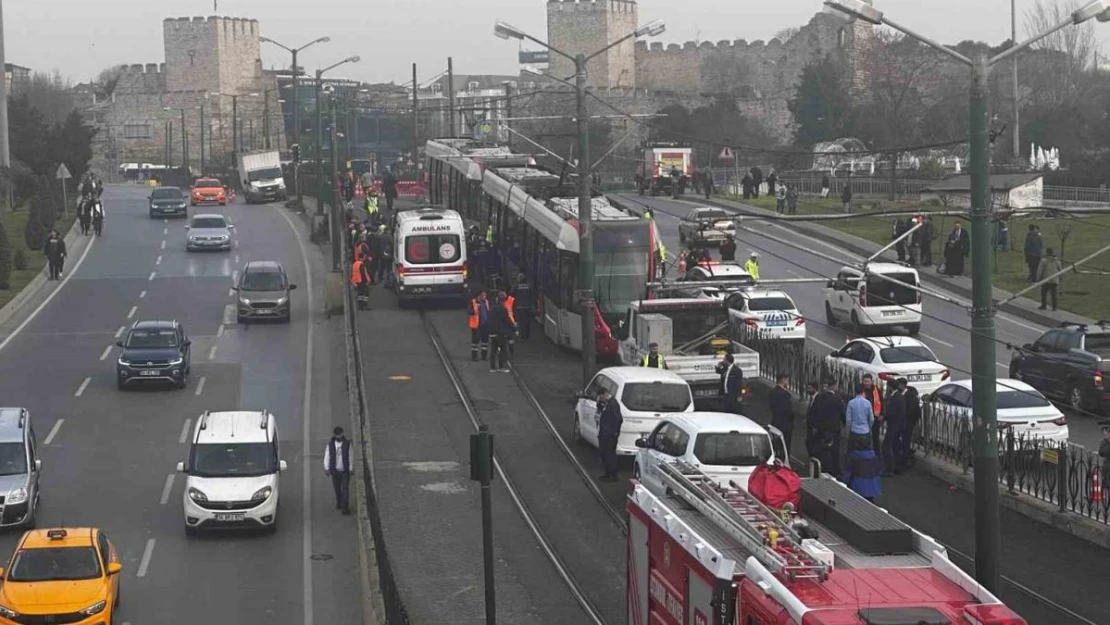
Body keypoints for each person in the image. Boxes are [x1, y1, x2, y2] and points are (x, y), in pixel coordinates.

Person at [806, 377, 844, 477]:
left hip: (821, 429)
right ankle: (835, 472)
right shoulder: (837, 399)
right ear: (834, 386)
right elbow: (842, 414)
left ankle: (821, 469)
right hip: (834, 430)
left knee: (822, 450)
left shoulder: (819, 397)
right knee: (834, 452)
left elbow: (814, 412)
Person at [882, 379, 911, 475]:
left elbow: (893, 413)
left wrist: (884, 417)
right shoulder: (897, 396)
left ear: (890, 387)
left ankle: (889, 469)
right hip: (896, 426)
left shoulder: (896, 398)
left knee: (887, 447)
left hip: (894, 426)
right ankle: (894, 468)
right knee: (894, 447)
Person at [842, 435, 882, 502]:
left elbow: (848, 472)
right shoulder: (874, 456)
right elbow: (878, 471)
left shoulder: (854, 456)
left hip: (858, 487)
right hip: (873, 488)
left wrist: (844, 482)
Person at [323, 426, 353, 515]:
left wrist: (351, 467)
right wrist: (326, 467)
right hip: (335, 471)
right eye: (337, 435)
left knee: (345, 489)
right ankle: (339, 502)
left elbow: (351, 456)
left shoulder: (347, 444)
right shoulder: (330, 445)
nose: (339, 437)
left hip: (345, 471)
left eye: (340, 435)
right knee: (337, 489)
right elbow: (327, 456)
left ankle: (345, 508)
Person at [596, 387, 623, 482]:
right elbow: (601, 410)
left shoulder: (613, 404)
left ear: (605, 394)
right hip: (604, 433)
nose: (600, 399)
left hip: (610, 435)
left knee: (610, 455)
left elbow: (618, 419)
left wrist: (614, 432)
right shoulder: (607, 403)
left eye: (601, 397)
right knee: (604, 454)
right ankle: (607, 473)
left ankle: (613, 474)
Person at [487, 291, 515, 372]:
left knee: (493, 350)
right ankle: (501, 367)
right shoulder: (503, 309)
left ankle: (492, 367)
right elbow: (507, 321)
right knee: (502, 350)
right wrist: (513, 328)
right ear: (504, 300)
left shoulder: (492, 308)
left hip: (492, 332)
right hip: (500, 332)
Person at [768, 374, 795, 452]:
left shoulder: (773, 392)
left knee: (777, 445)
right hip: (785, 424)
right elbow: (787, 410)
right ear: (783, 380)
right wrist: (793, 416)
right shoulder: (784, 394)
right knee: (785, 446)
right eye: (787, 380)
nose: (788, 382)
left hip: (776, 422)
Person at [846, 383, 875, 452]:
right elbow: (871, 419)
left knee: (852, 452)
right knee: (865, 452)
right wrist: (869, 427)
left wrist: (850, 428)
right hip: (865, 431)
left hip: (854, 431)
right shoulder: (868, 403)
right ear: (863, 391)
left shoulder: (851, 403)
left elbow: (848, 420)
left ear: (855, 391)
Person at [861, 373, 884, 454]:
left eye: (868, 381)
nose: (866, 383)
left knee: (875, 436)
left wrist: (882, 414)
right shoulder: (861, 390)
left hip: (875, 416)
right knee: (864, 436)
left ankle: (876, 453)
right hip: (864, 417)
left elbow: (881, 402)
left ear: (871, 381)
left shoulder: (876, 390)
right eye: (865, 381)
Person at [468, 291, 491, 362]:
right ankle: (474, 356)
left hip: (485, 324)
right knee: (475, 340)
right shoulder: (473, 302)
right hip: (476, 325)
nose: (485, 297)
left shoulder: (487, 302)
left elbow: (489, 311)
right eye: (483, 295)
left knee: (485, 341)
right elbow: (469, 311)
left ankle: (484, 356)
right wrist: (474, 311)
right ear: (479, 296)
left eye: (485, 295)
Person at [512, 274, 532, 339]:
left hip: (519, 307)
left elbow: (512, 295)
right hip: (528, 307)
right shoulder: (529, 286)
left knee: (520, 322)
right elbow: (532, 296)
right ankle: (527, 335)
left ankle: (522, 336)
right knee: (527, 322)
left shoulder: (516, 286)